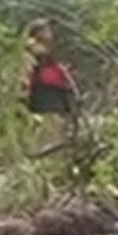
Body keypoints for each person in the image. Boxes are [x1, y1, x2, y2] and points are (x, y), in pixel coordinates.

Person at [22, 19, 78, 149]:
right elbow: (26, 75)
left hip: (57, 98)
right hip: (45, 99)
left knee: (60, 131)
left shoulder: (48, 52)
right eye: (46, 29)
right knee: (50, 134)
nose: (50, 33)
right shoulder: (32, 51)